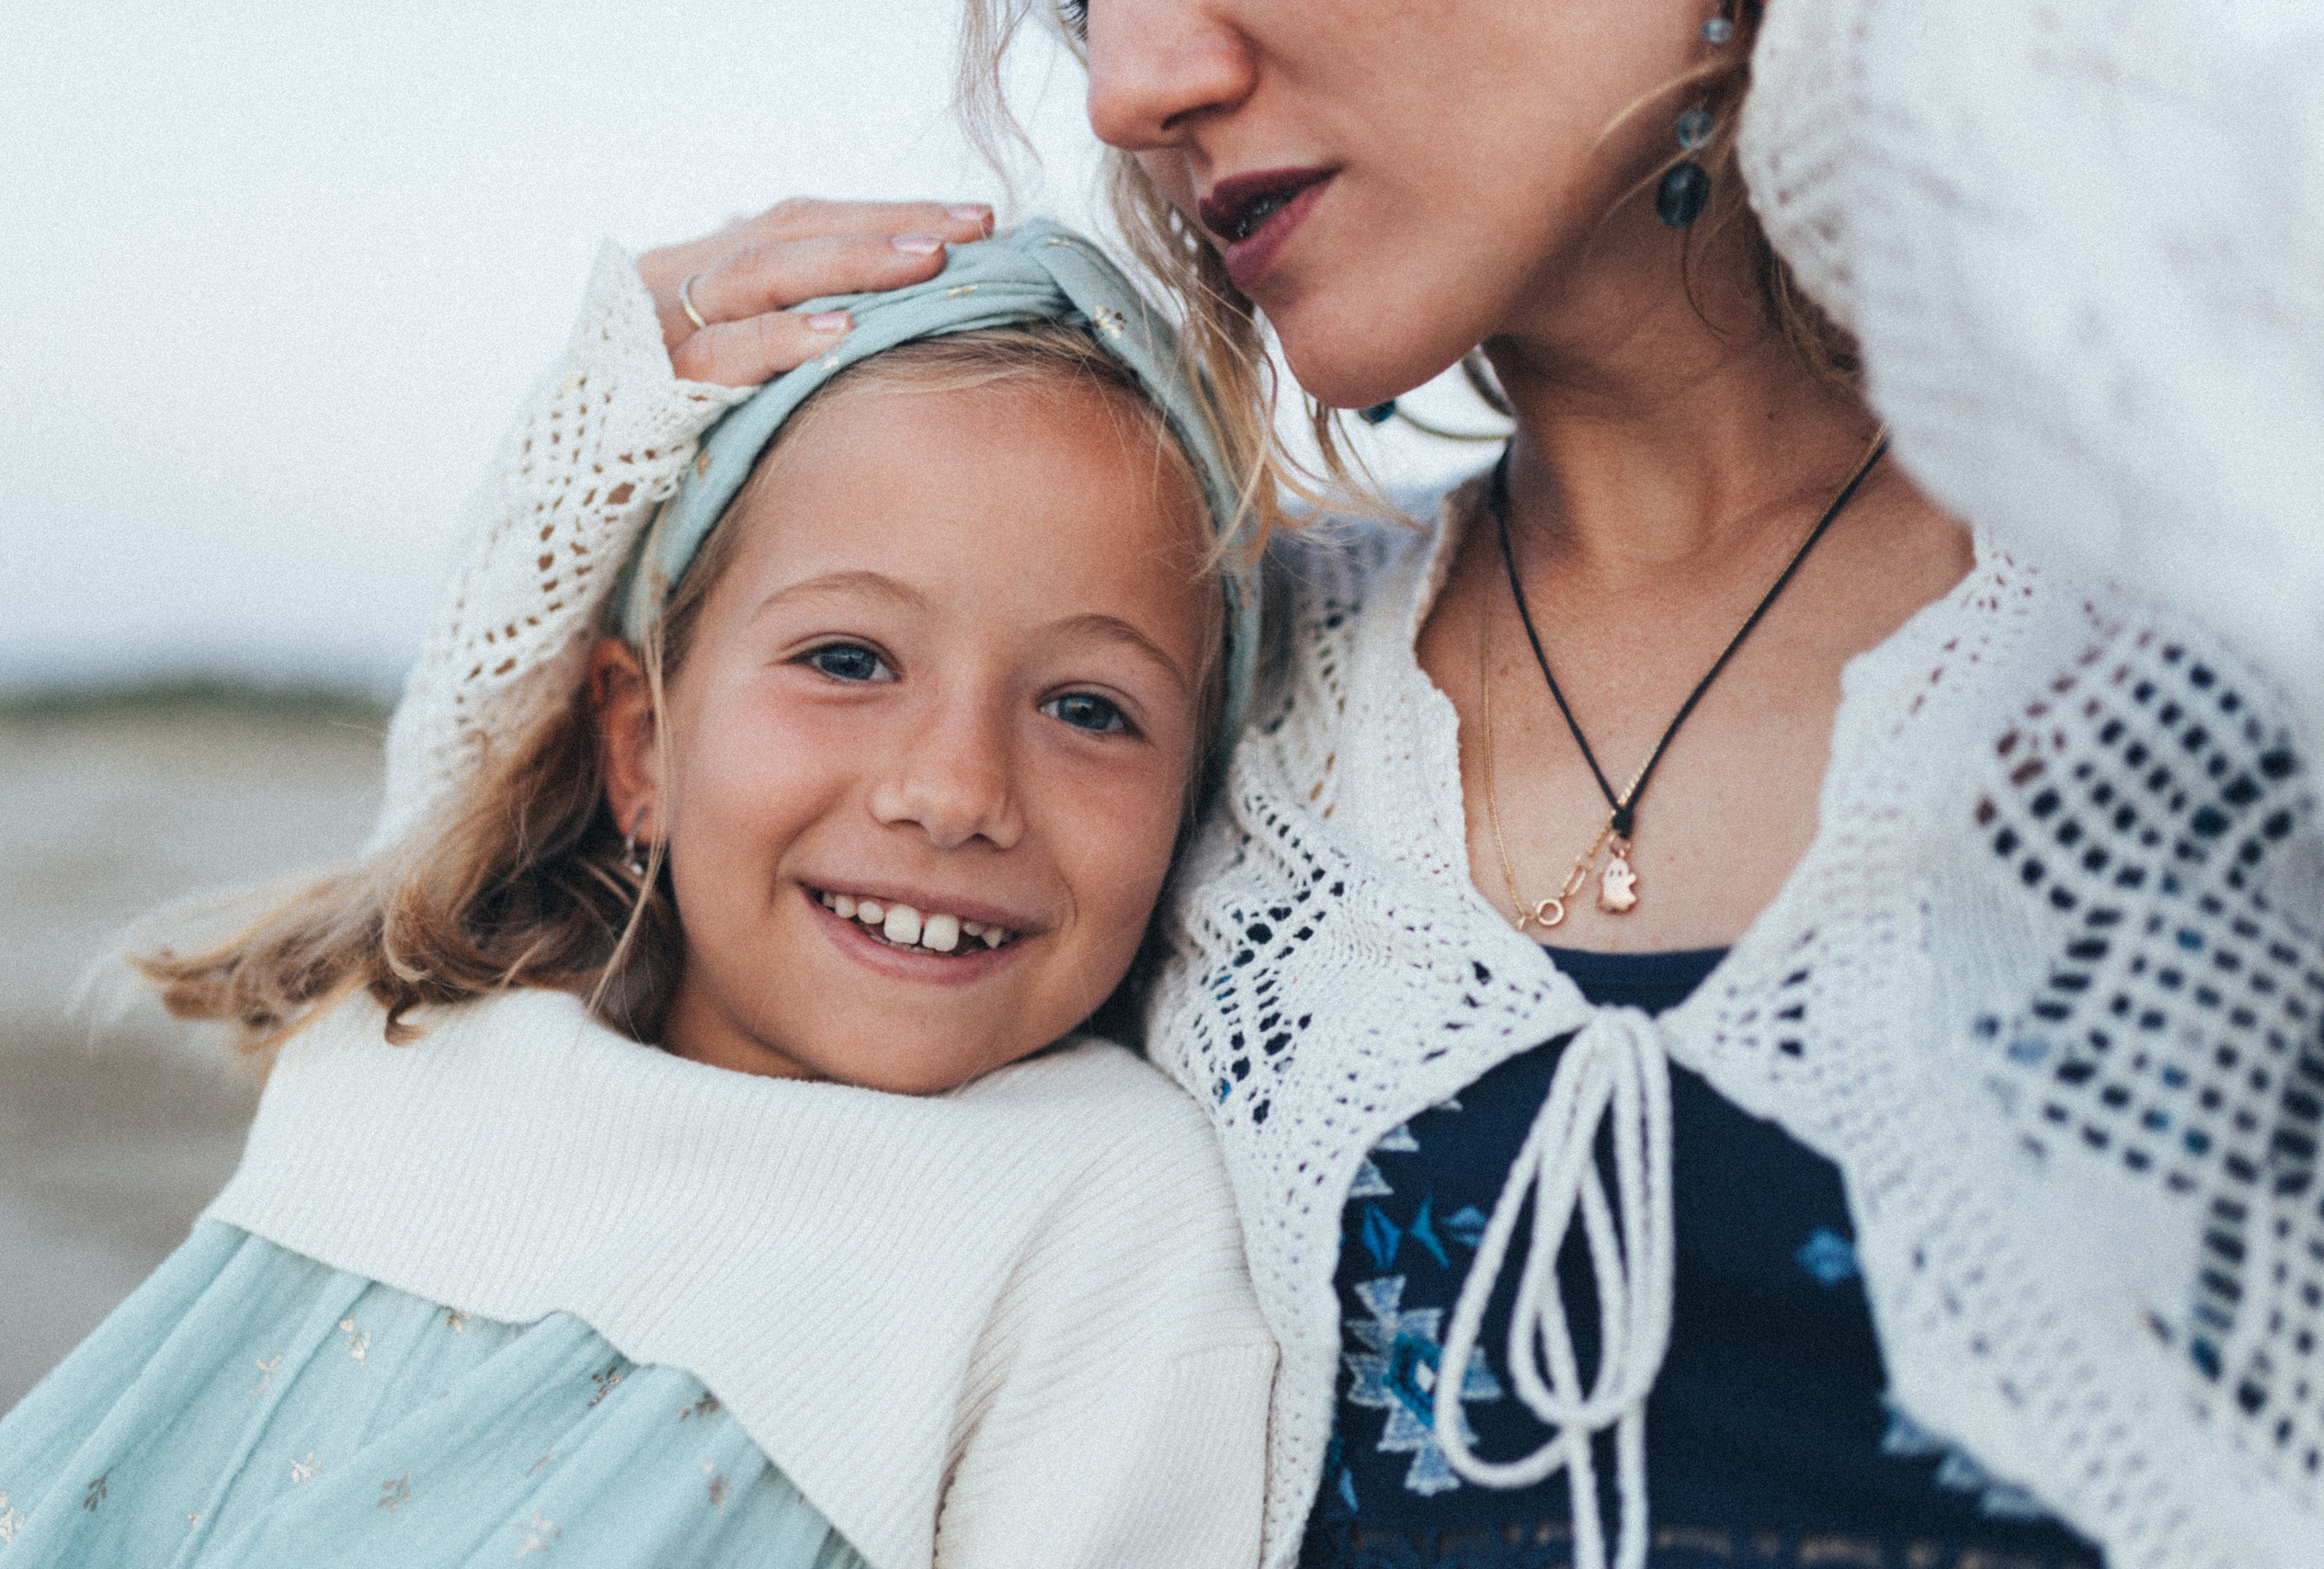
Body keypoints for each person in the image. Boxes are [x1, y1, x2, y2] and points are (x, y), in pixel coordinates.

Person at [637, 4, 2324, 1565]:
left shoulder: (2247, 572)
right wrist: (600, 446)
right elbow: (537, 1049)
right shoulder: (1191, 699)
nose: (1131, 85)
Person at [0, 223, 1279, 1569]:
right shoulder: (424, 1033)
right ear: (641, 746)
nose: (954, 790)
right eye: (848, 658)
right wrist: (597, 423)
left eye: (1088, 708)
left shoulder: (1102, 1213)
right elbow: (456, 769)